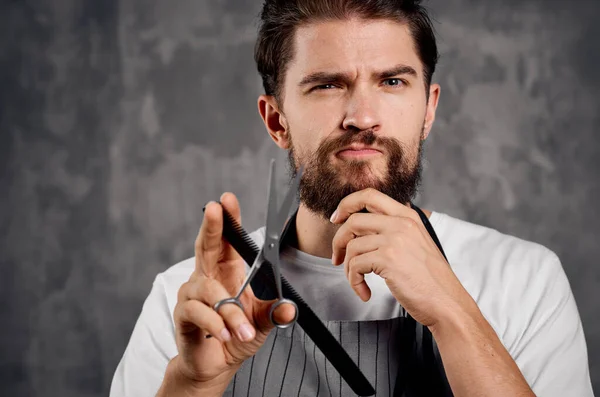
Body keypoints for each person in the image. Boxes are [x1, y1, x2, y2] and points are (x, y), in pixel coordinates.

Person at [110, 0, 594, 396]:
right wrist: (192, 386)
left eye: (392, 82)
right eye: (326, 85)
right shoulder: (189, 300)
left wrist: (452, 311)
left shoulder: (524, 279)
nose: (363, 117)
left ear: (428, 110)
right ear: (276, 121)